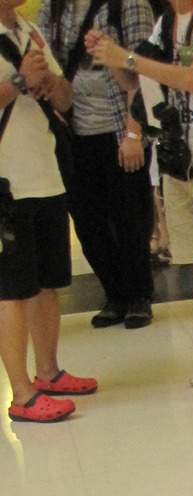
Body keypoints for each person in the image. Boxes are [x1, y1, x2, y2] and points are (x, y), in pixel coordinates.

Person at [88, 0, 193, 407]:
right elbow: (134, 79)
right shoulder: (168, 22)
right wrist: (110, 56)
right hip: (177, 159)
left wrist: (126, 56)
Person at [0, 0, 97, 422]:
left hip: (45, 172)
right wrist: (21, 79)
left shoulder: (28, 29)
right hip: (7, 182)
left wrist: (51, 83)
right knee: (12, 291)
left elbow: (65, 96)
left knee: (47, 282)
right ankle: (21, 393)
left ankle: (49, 372)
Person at [41, 0, 155, 331]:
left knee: (129, 218)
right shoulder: (54, 9)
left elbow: (144, 71)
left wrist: (133, 133)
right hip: (73, 132)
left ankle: (138, 295)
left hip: (120, 129)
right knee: (87, 221)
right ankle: (114, 293)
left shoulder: (129, 4)